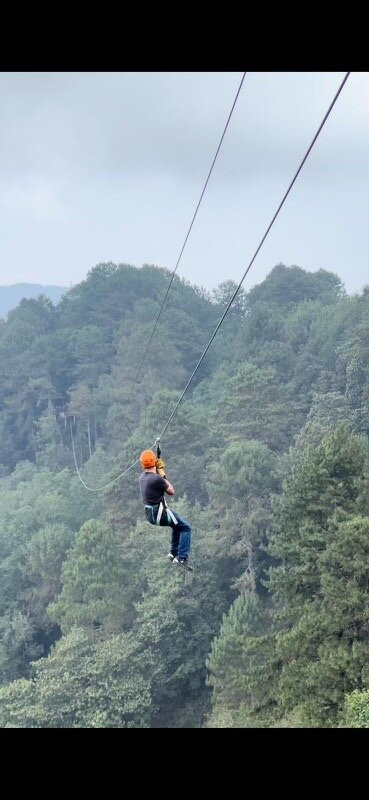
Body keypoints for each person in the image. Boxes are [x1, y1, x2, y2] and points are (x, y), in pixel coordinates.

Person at [139, 449, 193, 571]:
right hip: (160, 514)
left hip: (150, 515)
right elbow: (171, 491)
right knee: (185, 527)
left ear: (142, 464)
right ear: (154, 462)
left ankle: (173, 553)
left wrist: (157, 470)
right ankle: (182, 557)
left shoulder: (142, 478)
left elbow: (153, 478)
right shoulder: (157, 479)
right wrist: (162, 473)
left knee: (176, 526)